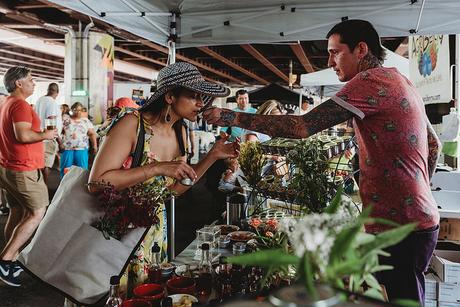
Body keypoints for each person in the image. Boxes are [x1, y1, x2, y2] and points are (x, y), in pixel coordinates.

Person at [204, 19, 440, 304]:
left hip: (400, 226)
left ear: (361, 49)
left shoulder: (369, 81)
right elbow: (433, 144)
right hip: (416, 217)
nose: (329, 61)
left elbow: (302, 128)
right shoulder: (401, 80)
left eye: (335, 52)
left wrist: (231, 116)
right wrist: (416, 189)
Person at [88, 62, 239, 292]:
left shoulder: (180, 133)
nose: (201, 103)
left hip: (153, 235)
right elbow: (96, 181)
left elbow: (173, 190)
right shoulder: (132, 123)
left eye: (202, 97)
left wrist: (213, 155)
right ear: (169, 96)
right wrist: (157, 168)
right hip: (117, 234)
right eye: (194, 96)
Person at [0, 66, 58, 287]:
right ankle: (6, 261)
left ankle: (12, 256)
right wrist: (46, 134)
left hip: (8, 167)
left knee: (16, 211)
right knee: (37, 213)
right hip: (23, 168)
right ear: (19, 83)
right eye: (31, 79)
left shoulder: (5, 103)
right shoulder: (20, 105)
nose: (34, 83)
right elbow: (22, 135)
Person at [59, 102, 97, 178]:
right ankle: (64, 188)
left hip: (81, 149)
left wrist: (95, 146)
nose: (78, 112)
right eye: (76, 110)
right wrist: (60, 143)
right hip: (67, 149)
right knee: (66, 171)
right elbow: (59, 132)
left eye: (80, 110)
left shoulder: (86, 121)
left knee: (82, 171)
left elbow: (92, 134)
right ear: (71, 110)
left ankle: (80, 188)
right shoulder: (65, 120)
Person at [34, 83, 62, 185]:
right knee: (46, 165)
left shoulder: (39, 100)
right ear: (57, 92)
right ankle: (44, 186)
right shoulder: (52, 102)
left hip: (39, 137)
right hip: (48, 138)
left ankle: (40, 184)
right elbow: (51, 122)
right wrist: (59, 140)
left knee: (41, 163)